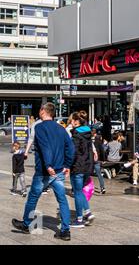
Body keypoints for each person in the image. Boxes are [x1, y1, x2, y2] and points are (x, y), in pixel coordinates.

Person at [11, 102, 74, 241]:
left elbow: (45, 147)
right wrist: (67, 165)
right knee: (62, 200)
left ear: (43, 111)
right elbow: (70, 147)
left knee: (33, 197)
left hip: (44, 171)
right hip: (58, 171)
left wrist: (48, 165)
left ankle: (27, 224)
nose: (39, 111)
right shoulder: (61, 129)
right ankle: (65, 231)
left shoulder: (39, 127)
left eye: (40, 109)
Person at [70, 110, 95, 228]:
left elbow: (73, 152)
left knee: (77, 192)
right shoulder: (87, 133)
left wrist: (67, 164)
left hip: (78, 166)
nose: (70, 122)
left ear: (76, 121)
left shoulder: (76, 134)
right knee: (80, 192)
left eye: (72, 120)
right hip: (87, 166)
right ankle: (88, 213)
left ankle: (79, 219)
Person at [92, 128, 106, 194]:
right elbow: (102, 150)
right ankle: (102, 187)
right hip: (96, 159)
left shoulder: (87, 140)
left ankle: (86, 187)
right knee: (99, 174)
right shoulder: (98, 140)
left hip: (89, 159)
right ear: (95, 134)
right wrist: (103, 159)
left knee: (86, 174)